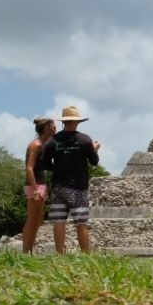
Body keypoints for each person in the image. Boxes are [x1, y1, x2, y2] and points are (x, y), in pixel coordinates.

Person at [40, 106, 100, 254]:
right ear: (77, 122)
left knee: (59, 221)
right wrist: (95, 149)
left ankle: (60, 254)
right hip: (78, 187)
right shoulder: (85, 140)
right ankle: (86, 255)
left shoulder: (52, 141)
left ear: (64, 122)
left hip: (59, 186)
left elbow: (46, 164)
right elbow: (94, 161)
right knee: (81, 223)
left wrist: (61, 166)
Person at [21, 117, 56, 254]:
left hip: (40, 185)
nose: (55, 129)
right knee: (31, 221)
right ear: (47, 127)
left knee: (38, 221)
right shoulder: (36, 145)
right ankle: (26, 252)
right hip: (34, 186)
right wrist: (35, 189)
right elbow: (29, 168)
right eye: (53, 126)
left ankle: (29, 251)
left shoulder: (43, 144)